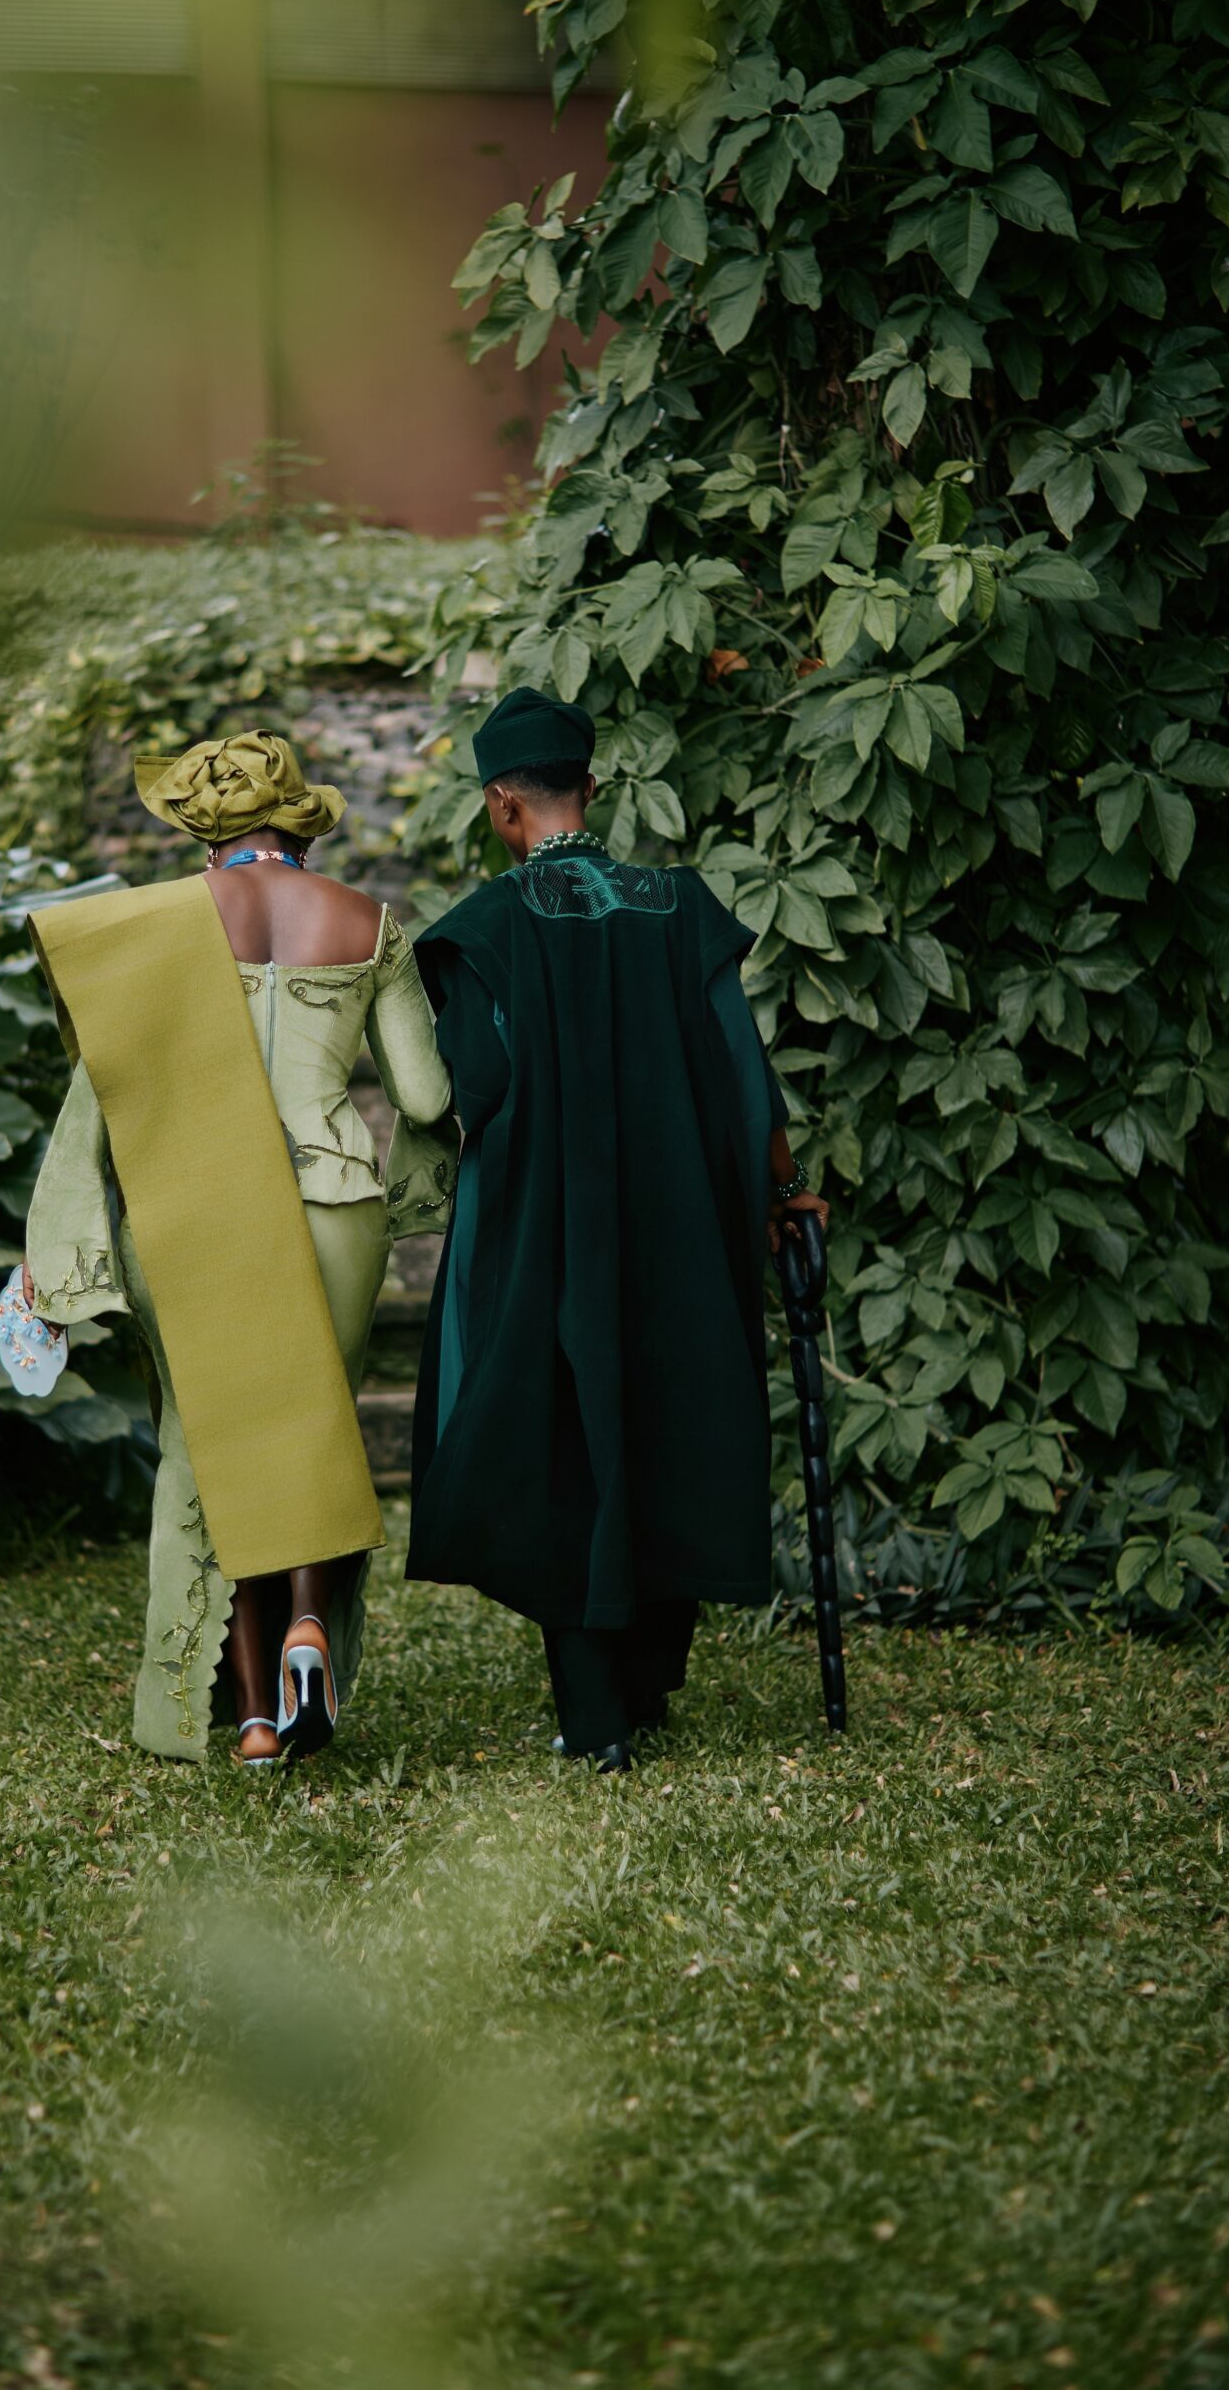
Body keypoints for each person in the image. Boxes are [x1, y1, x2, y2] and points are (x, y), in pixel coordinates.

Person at [408, 686, 830, 1772]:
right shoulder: (680, 904)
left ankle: (595, 1715)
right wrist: (784, 1190)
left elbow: (476, 1091)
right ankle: (646, 1686)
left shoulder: (485, 928)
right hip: (680, 1223)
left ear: (502, 804)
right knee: (668, 1415)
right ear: (589, 789)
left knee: (558, 1438)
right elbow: (743, 1075)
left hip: (548, 1230)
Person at [20, 730, 455, 1766]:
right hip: (337, 1201)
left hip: (195, 1211)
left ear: (198, 829)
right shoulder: (368, 921)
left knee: (214, 1447)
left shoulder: (156, 927)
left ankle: (252, 1718)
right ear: (297, 820)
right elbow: (424, 1095)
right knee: (314, 1428)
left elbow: (98, 1101)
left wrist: (59, 1249)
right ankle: (310, 1620)